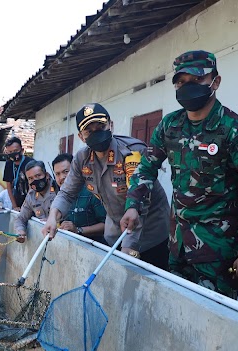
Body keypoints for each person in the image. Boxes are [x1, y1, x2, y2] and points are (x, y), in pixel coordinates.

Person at [121, 50, 238, 299]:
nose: (187, 87)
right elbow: (146, 168)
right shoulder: (169, 126)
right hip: (177, 248)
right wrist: (133, 205)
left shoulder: (237, 130)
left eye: (196, 80)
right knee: (175, 316)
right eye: (181, 82)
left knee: (211, 327)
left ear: (215, 82)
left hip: (218, 254)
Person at [43, 103, 170, 270]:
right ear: (81, 136)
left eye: (101, 126)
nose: (97, 133)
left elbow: (140, 203)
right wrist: (53, 217)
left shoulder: (132, 152)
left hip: (151, 234)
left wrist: (128, 248)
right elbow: (66, 193)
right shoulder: (82, 159)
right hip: (115, 233)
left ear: (111, 125)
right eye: (89, 130)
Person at [52, 153, 106, 244]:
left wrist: (78, 230)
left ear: (75, 170)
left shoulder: (92, 192)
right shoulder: (60, 195)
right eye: (57, 174)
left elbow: (107, 225)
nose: (62, 177)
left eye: (66, 171)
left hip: (97, 248)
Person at [14, 160, 56, 243]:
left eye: (38, 175)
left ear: (46, 175)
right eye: (30, 178)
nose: (35, 180)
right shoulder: (31, 196)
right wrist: (20, 232)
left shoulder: (59, 190)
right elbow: (21, 218)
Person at [2, 136, 31, 211]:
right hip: (17, 204)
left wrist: (25, 207)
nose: (13, 154)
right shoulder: (9, 164)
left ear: (22, 150)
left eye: (15, 150)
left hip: (31, 204)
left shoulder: (30, 163)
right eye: (10, 152)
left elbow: (32, 189)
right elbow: (9, 187)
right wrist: (15, 206)